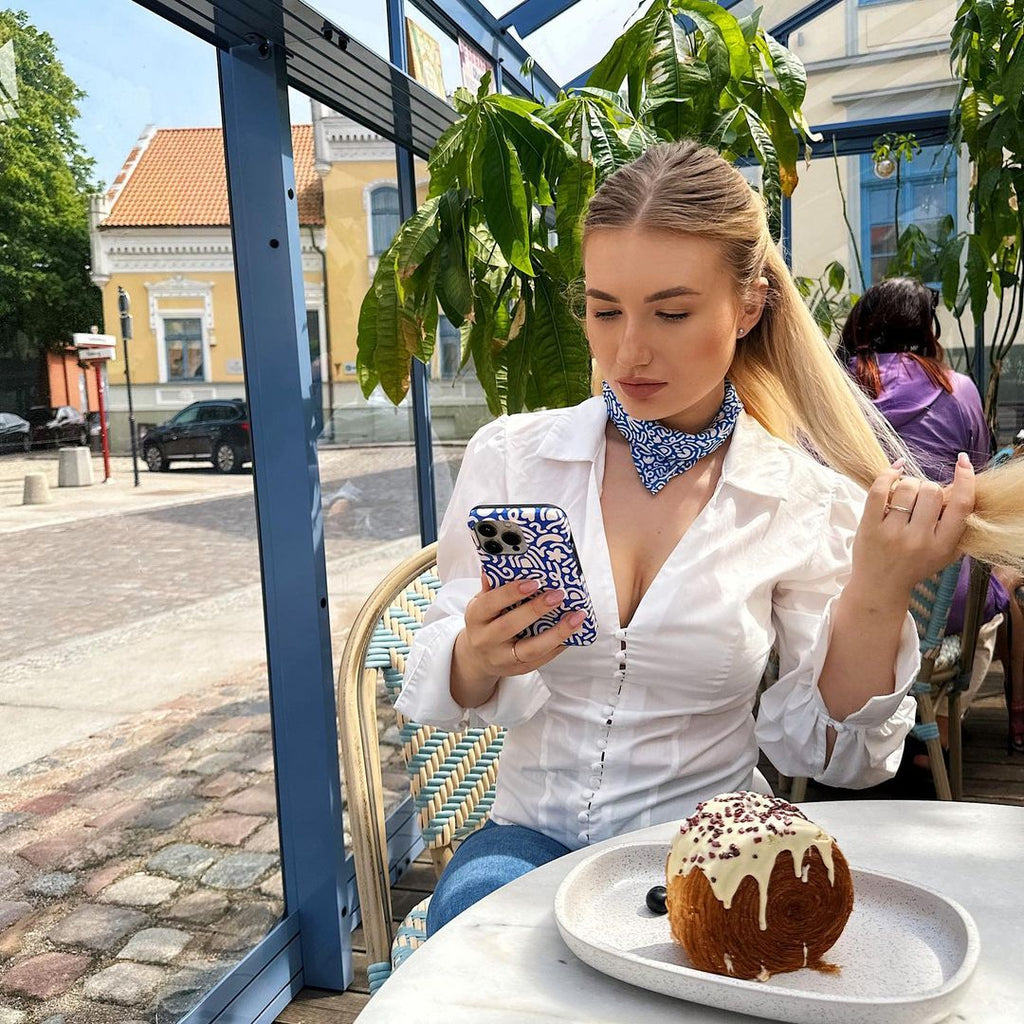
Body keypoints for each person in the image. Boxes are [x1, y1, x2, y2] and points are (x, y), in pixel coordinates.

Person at [395, 141, 1024, 936]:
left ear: (750, 306)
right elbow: (442, 661)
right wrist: (474, 658)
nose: (629, 351)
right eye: (604, 308)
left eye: (671, 311)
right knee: (480, 936)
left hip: (708, 850)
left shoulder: (802, 501)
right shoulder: (515, 460)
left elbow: (830, 756)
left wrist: (877, 587)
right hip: (527, 837)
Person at [838, 278, 1023, 757]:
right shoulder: (956, 389)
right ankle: (940, 721)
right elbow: (976, 486)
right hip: (937, 611)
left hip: (836, 596)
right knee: (1001, 588)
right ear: (926, 327)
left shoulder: (832, 392)